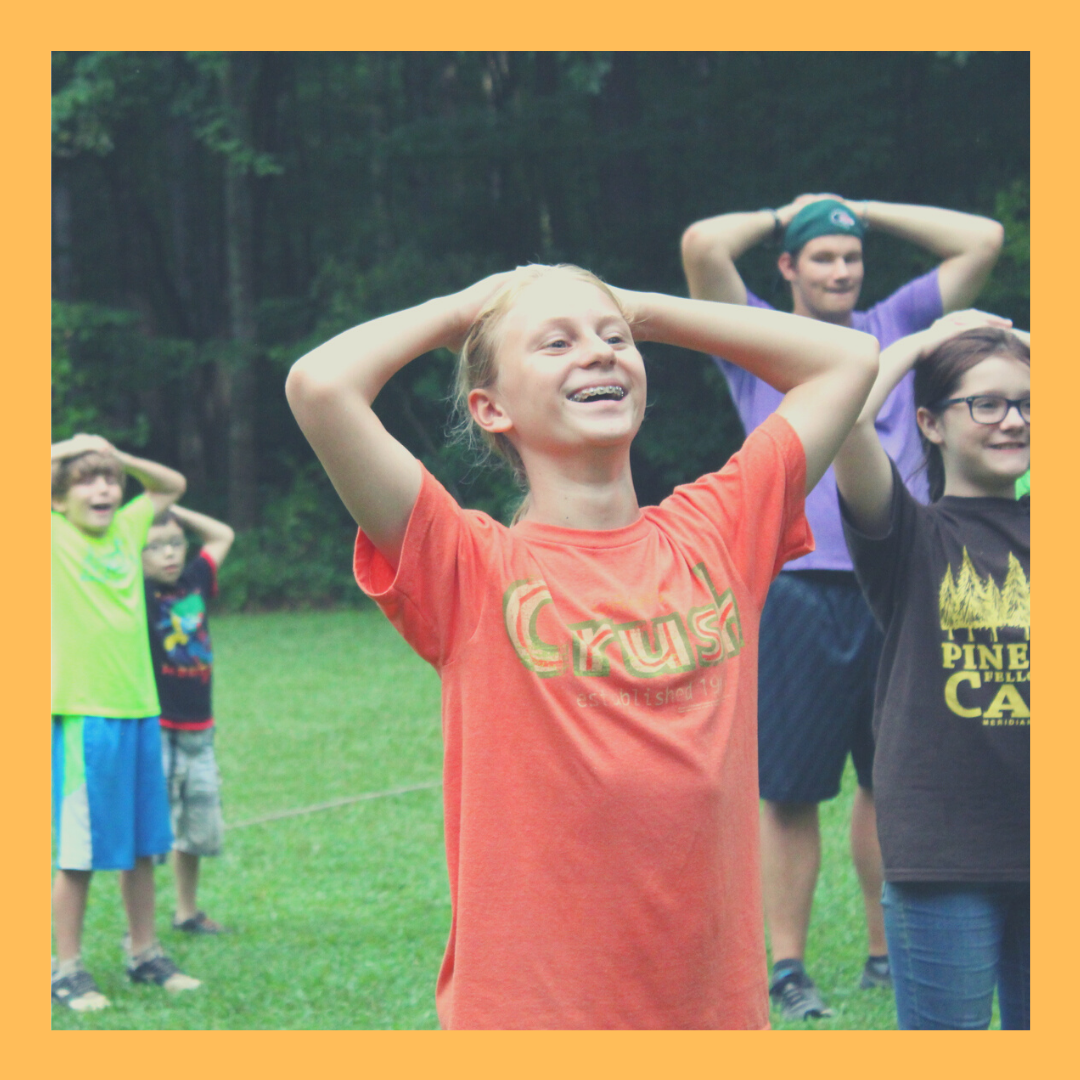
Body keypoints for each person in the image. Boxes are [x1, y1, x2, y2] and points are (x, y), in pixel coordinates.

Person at [285, 263, 879, 1029]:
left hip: (713, 1016)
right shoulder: (467, 566)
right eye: (555, 344)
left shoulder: (719, 532)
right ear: (491, 408)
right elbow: (319, 387)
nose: (597, 353)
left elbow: (847, 360)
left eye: (613, 341)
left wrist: (641, 309)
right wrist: (462, 309)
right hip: (534, 1018)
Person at [680, 193, 1004, 1018]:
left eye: (850, 257)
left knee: (887, 775)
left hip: (901, 582)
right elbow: (702, 244)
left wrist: (860, 210)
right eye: (821, 256)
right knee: (789, 787)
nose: (840, 269)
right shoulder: (762, 339)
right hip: (797, 585)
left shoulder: (894, 320)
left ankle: (884, 952)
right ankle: (787, 965)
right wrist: (786, 213)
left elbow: (982, 239)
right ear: (788, 267)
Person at [832, 313, 1029, 1029]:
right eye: (987, 403)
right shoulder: (909, 535)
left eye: (1028, 403)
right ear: (930, 423)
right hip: (944, 854)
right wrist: (920, 342)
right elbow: (844, 421)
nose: (1012, 421)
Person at [51, 433, 201, 1011]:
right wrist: (69, 447)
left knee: (143, 847)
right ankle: (66, 970)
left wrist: (115, 454)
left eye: (109, 479)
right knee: (79, 853)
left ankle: (145, 954)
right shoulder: (51, 533)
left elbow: (171, 486)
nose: (104, 488)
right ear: (59, 499)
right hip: (86, 718)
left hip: (140, 710)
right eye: (86, 481)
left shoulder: (129, 528)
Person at [142, 504, 236, 935]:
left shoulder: (193, 580)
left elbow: (221, 534)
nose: (169, 555)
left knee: (195, 828)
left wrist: (170, 508)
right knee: (149, 831)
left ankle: (186, 911)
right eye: (156, 546)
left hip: (200, 729)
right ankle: (138, 923)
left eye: (175, 544)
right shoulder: (136, 591)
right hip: (157, 729)